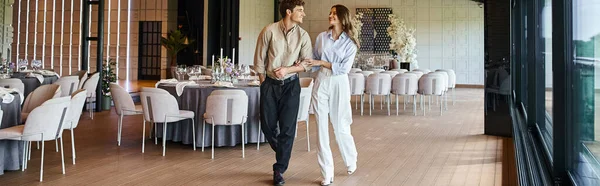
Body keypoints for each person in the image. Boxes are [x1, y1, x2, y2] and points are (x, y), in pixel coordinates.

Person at [253, 0, 312, 185]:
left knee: (287, 129)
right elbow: (259, 62)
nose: (303, 14)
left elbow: (306, 63)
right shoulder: (268, 31)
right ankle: (283, 152)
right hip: (269, 84)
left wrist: (288, 70)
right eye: (300, 10)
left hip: (291, 86)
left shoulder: (303, 36)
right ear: (288, 12)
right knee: (267, 126)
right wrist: (264, 84)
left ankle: (279, 169)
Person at [303, 4, 359, 186]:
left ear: (343, 18)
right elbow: (315, 61)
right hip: (321, 81)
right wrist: (307, 62)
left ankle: (351, 159)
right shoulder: (321, 38)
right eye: (330, 12)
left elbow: (343, 68)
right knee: (320, 128)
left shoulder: (350, 43)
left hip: (339, 82)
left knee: (340, 125)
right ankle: (327, 172)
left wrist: (321, 61)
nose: (330, 15)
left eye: (334, 13)